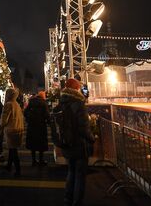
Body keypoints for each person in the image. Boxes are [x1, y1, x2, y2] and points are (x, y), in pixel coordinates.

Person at [59, 78, 95, 206]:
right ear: (76, 88)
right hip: (79, 144)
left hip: (67, 143)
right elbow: (83, 128)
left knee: (71, 171)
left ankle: (67, 199)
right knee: (80, 175)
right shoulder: (78, 103)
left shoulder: (62, 102)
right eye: (79, 87)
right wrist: (92, 138)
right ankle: (77, 202)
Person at [1, 87, 24, 176]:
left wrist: (1, 125)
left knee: (13, 150)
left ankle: (18, 169)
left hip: (11, 129)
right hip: (18, 128)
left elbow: (4, 119)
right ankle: (9, 165)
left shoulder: (8, 104)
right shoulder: (16, 104)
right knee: (12, 149)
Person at [24, 91, 50, 166]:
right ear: (43, 96)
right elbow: (46, 114)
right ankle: (41, 160)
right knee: (41, 143)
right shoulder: (43, 103)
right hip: (41, 125)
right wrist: (48, 121)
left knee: (33, 143)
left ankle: (33, 160)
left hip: (32, 125)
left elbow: (25, 112)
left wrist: (28, 119)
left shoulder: (31, 102)